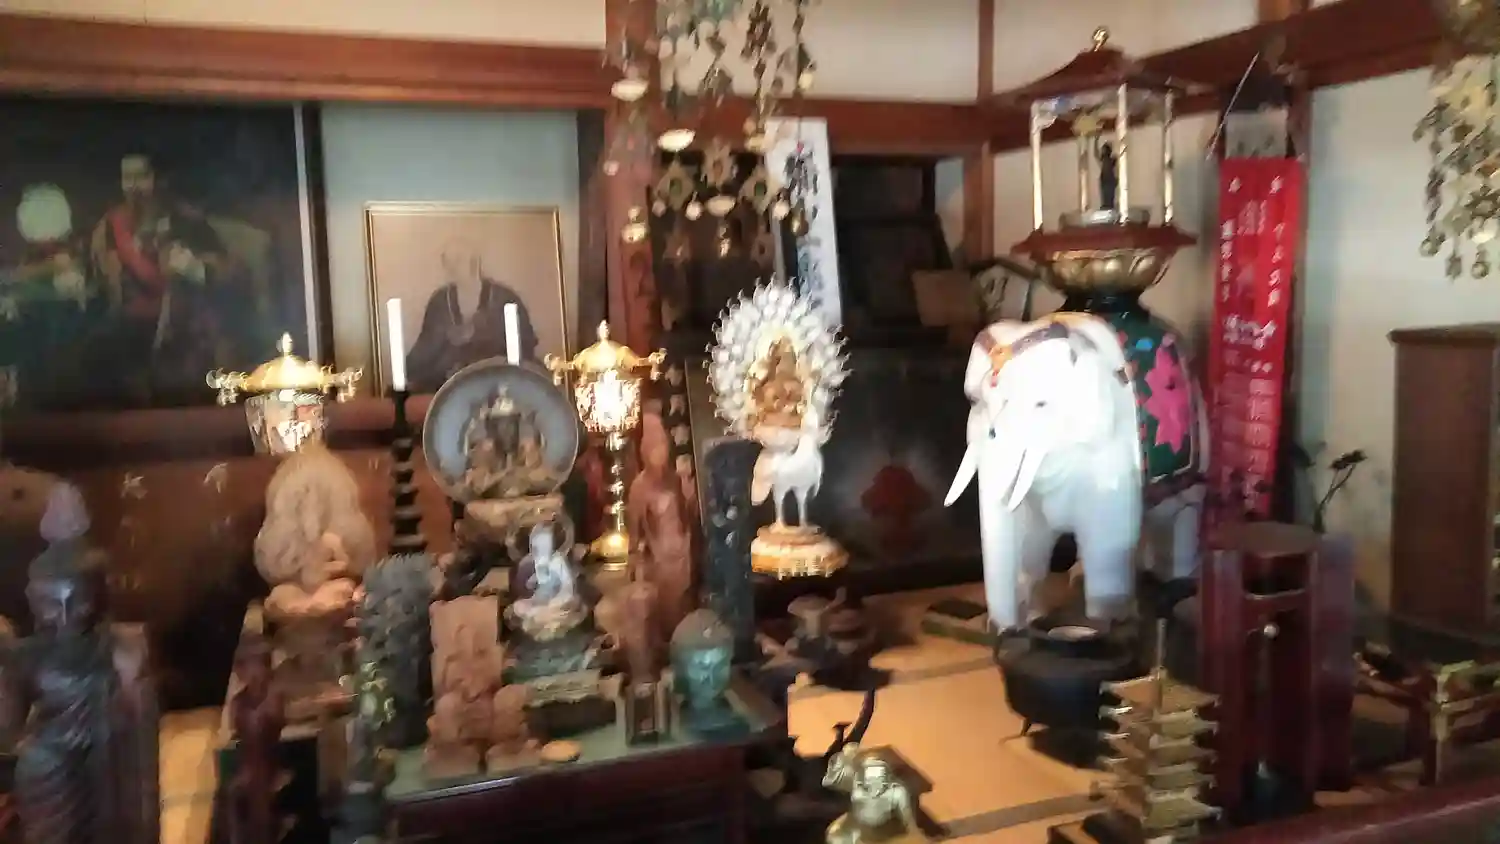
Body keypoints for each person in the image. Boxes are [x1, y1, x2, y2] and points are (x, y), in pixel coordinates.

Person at [88, 153, 234, 405]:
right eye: (127, 178)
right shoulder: (111, 225)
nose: (134, 186)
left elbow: (226, 270)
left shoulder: (186, 220)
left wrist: (194, 267)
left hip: (181, 321)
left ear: (159, 180)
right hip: (127, 322)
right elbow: (98, 272)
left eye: (142, 177)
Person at [405, 239, 541, 391]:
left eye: (458, 260)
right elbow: (425, 348)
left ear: (474, 262)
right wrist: (406, 368)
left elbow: (524, 345)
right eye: (447, 261)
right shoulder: (440, 301)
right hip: (450, 385)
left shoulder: (505, 298)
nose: (452, 267)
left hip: (498, 381)